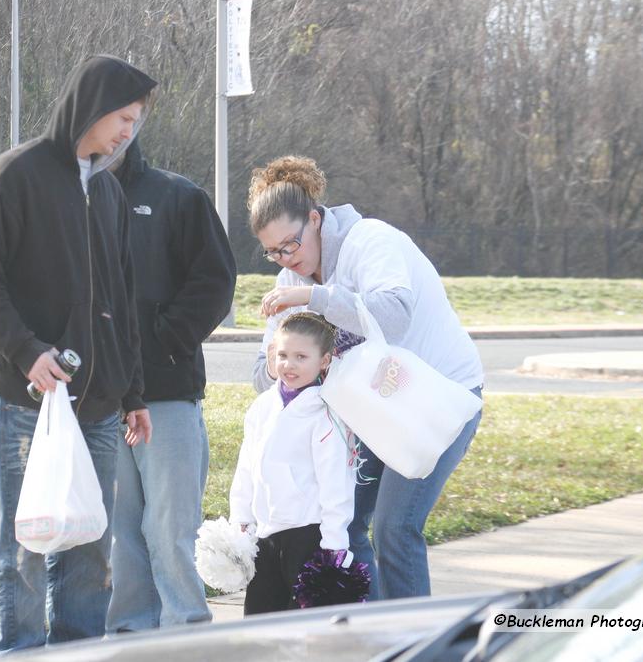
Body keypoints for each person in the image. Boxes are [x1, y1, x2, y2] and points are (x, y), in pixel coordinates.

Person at [0, 55, 156, 654]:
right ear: (90, 106)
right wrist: (26, 352)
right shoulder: (16, 173)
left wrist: (135, 392)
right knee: (25, 545)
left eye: (137, 121)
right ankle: (16, 650)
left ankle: (75, 652)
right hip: (30, 402)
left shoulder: (112, 193)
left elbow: (122, 301)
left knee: (90, 546)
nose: (128, 131)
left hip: (99, 407)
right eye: (122, 117)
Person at [248, 155, 483, 601]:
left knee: (396, 528)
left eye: (291, 245)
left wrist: (316, 297)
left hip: (436, 399)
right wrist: (290, 363)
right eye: (273, 251)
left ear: (315, 220)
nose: (285, 259)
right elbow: (265, 372)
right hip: (371, 409)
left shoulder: (370, 241)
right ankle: (370, 635)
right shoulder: (289, 278)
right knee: (344, 524)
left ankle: (414, 643)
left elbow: (393, 316)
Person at [105, 140, 237, 632]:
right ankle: (129, 634)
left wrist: (163, 342)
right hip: (99, 398)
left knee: (171, 529)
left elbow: (215, 281)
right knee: (118, 533)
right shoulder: (72, 198)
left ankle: (185, 631)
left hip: (167, 394)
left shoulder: (178, 197)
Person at [229, 312, 357, 615]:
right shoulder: (262, 406)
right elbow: (247, 466)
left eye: (301, 356)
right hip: (265, 535)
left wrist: (334, 545)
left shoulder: (326, 415)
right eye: (283, 355)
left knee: (305, 628)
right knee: (260, 620)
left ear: (324, 360)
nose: (289, 365)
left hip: (308, 536)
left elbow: (335, 484)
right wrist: (241, 518)